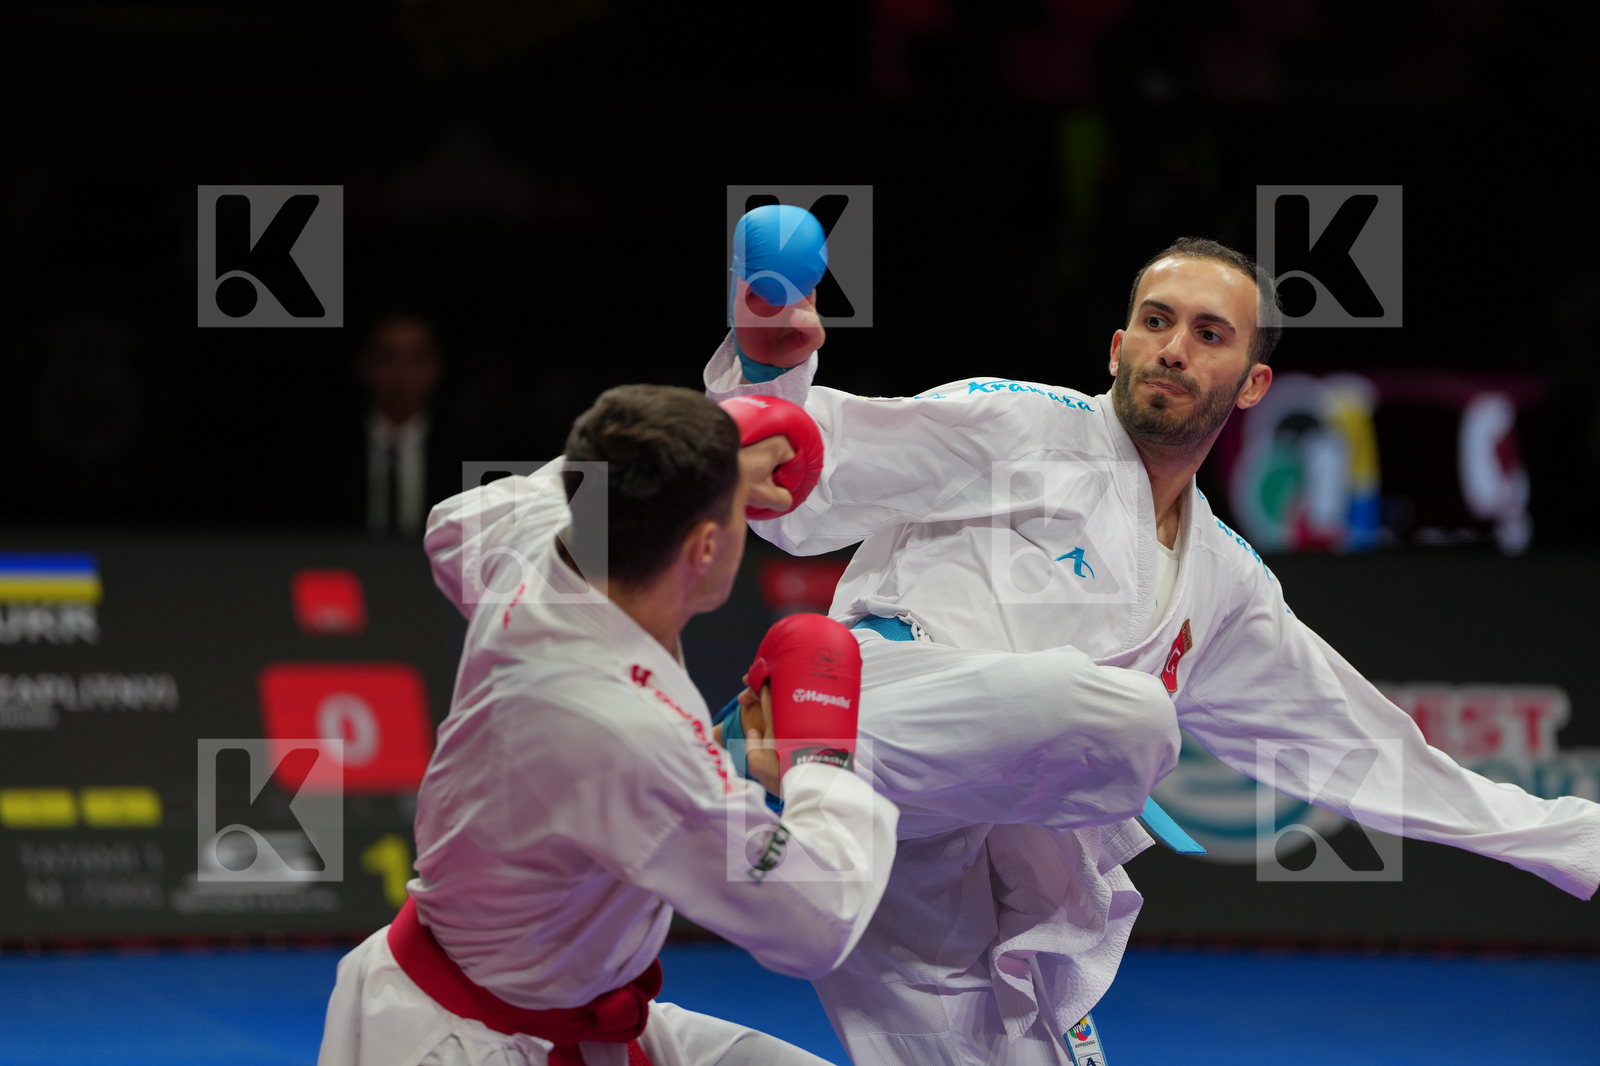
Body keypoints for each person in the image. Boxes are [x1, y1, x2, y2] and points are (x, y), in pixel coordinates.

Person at [706, 237, 1600, 1066]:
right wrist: (773, 357)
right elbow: (797, 491)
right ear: (1116, 347)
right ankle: (771, 746)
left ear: (1251, 384)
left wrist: (1572, 843)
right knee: (1130, 718)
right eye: (1156, 321)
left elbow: (1368, 748)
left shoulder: (1223, 583)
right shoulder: (1019, 424)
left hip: (937, 858)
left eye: (1208, 334)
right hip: (879, 710)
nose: (1173, 347)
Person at [318, 384, 899, 1066]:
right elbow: (816, 920)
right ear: (706, 547)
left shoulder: (541, 550)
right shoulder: (628, 731)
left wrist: (713, 450)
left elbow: (458, 519)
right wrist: (820, 760)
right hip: (473, 1044)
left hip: (543, 997)